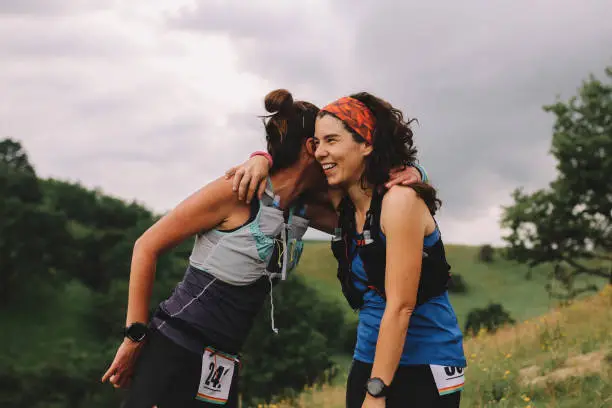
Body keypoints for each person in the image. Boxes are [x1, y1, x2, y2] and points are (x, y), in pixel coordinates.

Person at [100, 89, 420, 408]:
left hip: (224, 361)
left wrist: (414, 175)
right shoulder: (237, 190)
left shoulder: (302, 209)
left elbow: (374, 211)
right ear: (311, 147)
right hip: (175, 345)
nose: (332, 152)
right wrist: (134, 336)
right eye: (326, 142)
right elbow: (146, 247)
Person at [231, 93, 466, 407]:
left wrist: (376, 392)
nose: (321, 152)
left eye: (332, 140)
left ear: (366, 143)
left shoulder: (399, 202)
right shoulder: (342, 204)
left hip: (425, 363)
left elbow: (400, 306)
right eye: (317, 143)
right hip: (368, 359)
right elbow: (285, 181)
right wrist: (262, 157)